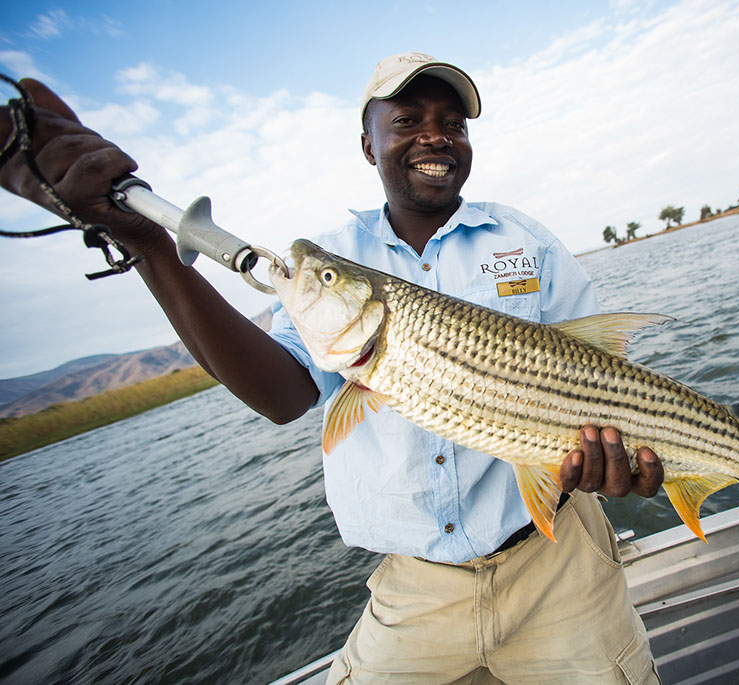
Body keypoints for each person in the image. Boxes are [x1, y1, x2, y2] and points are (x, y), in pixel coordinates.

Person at [0, 53, 664, 683]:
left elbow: (602, 379)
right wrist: (145, 240)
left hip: (561, 560)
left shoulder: (527, 240)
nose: (435, 137)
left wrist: (617, 463)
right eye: (407, 120)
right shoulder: (338, 253)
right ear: (369, 145)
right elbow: (284, 395)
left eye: (453, 124)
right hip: (416, 585)